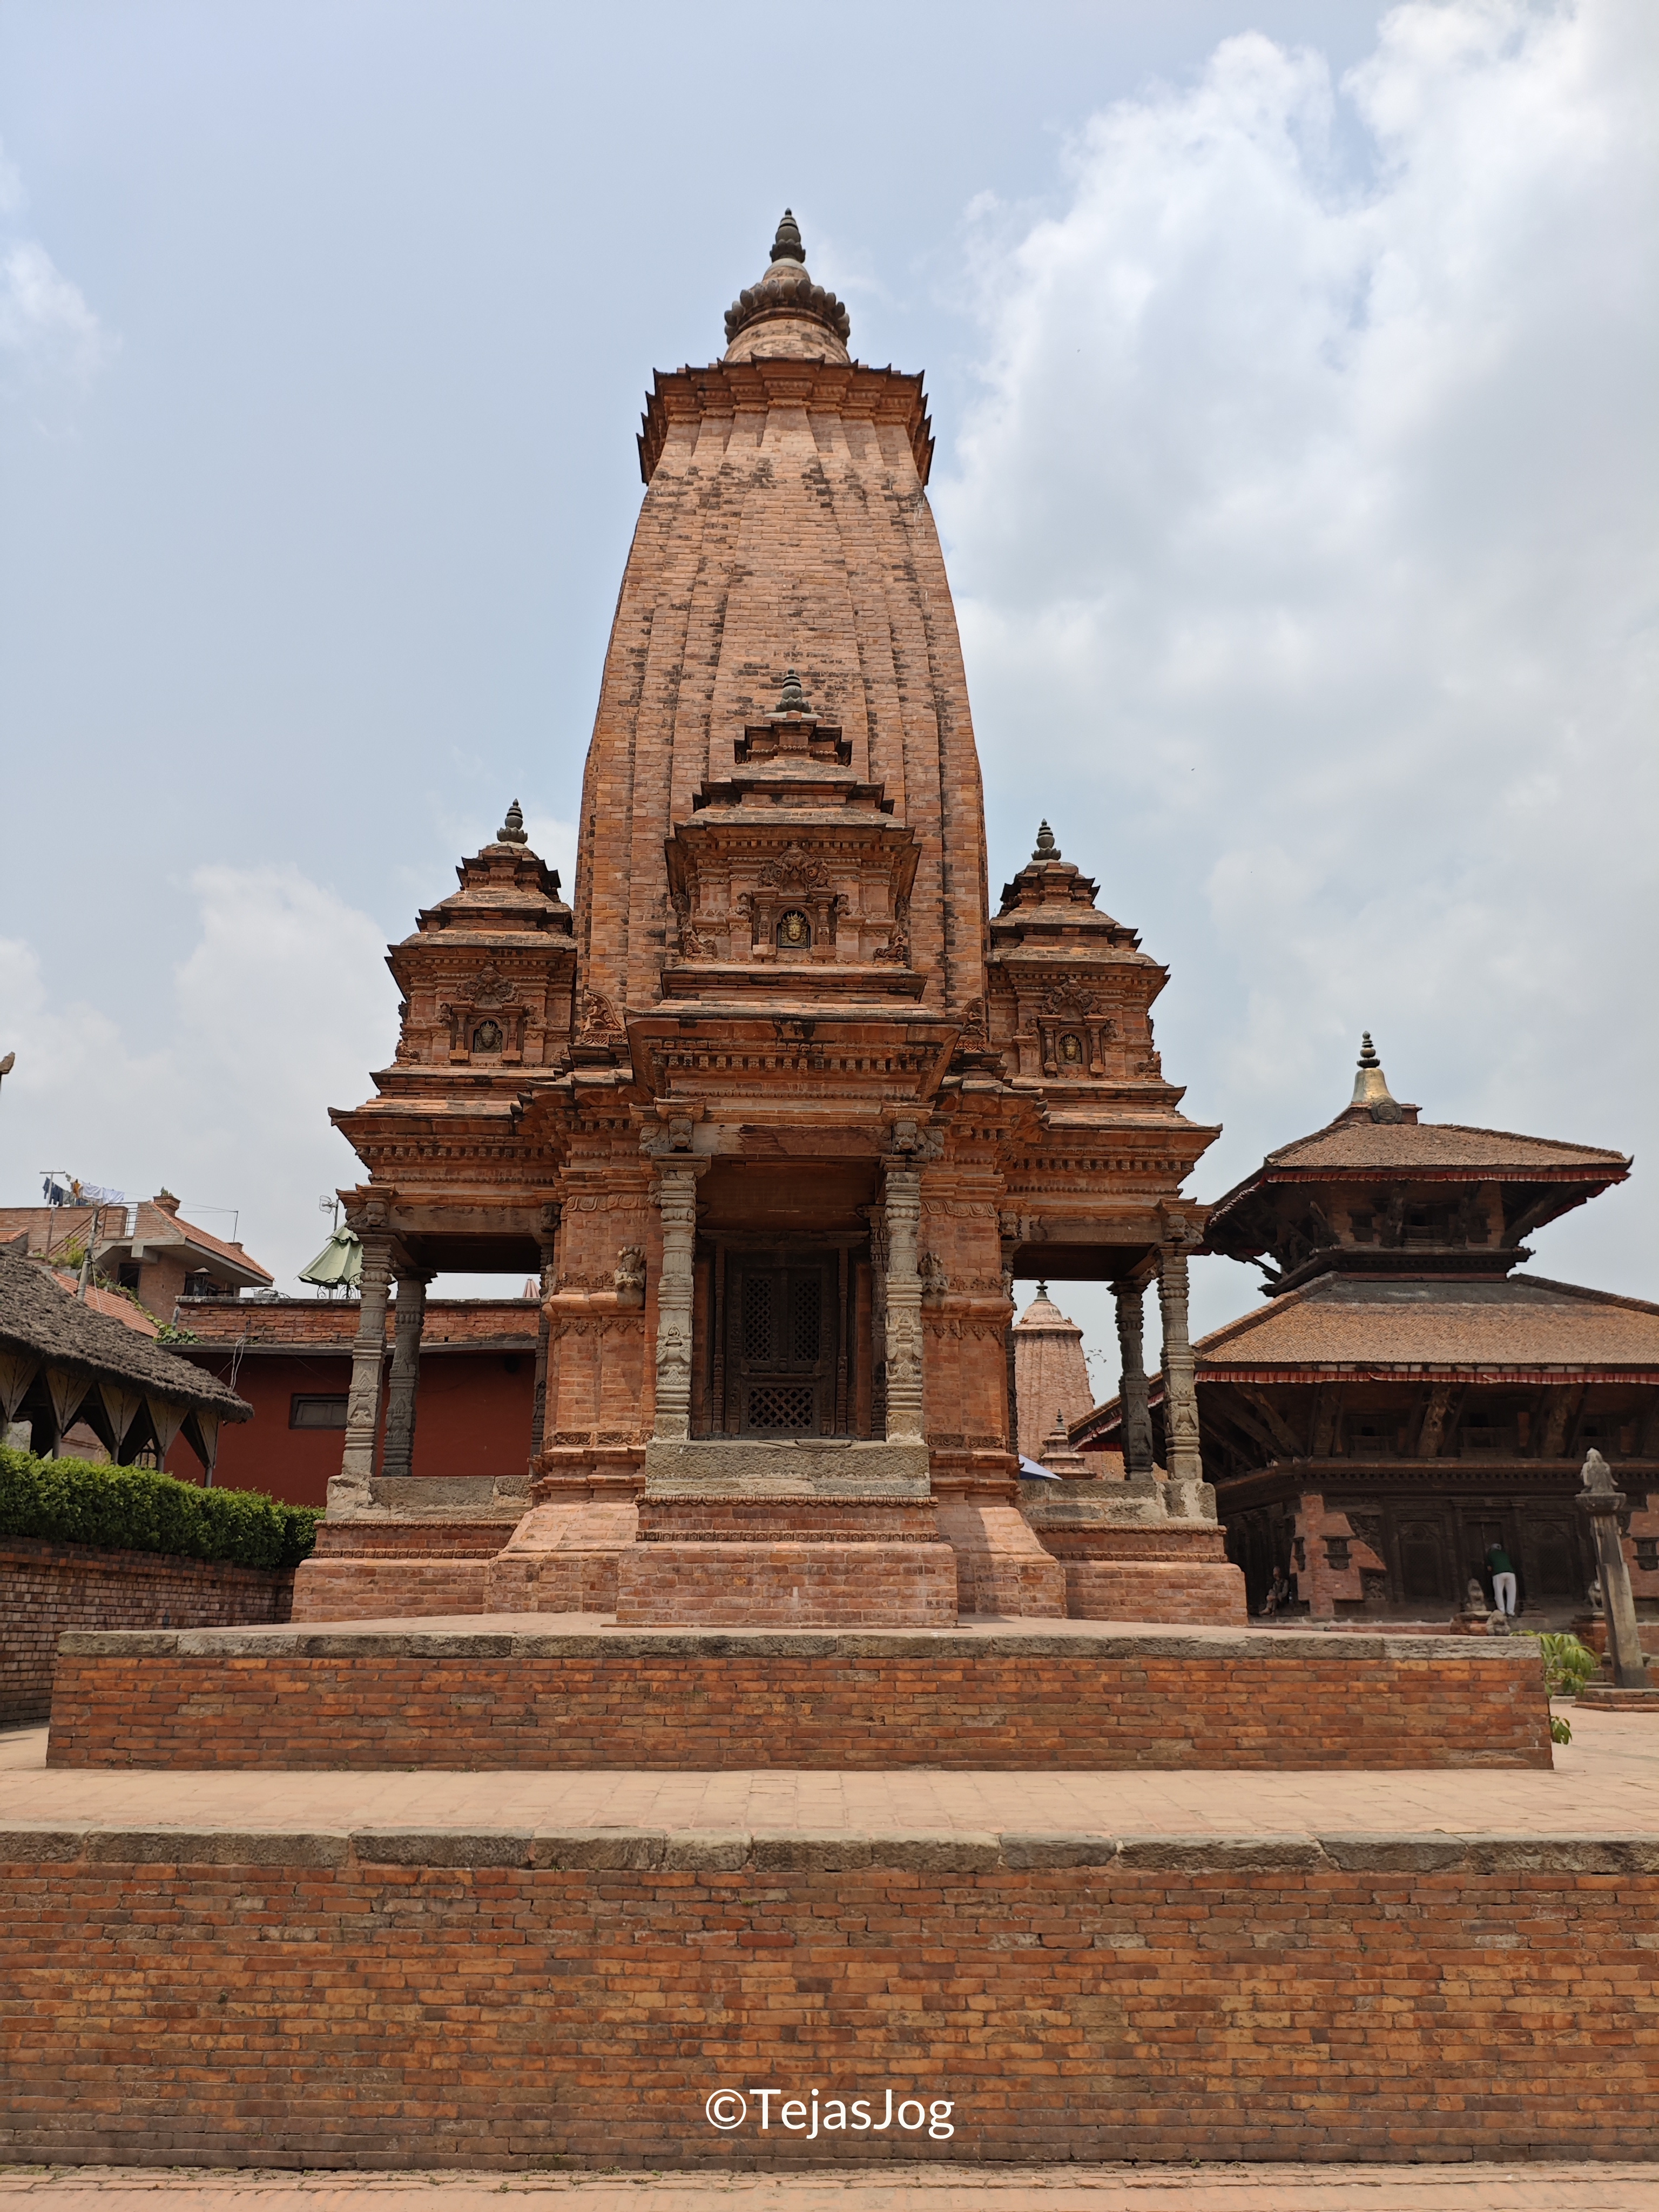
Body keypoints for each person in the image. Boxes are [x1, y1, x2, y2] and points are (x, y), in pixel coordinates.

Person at [1486, 1540, 1518, 1617]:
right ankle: (1511, 1612)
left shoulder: (1490, 1555)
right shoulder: (1505, 1554)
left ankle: (1501, 1612)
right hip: (1510, 1573)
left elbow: (1489, 1568)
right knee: (1512, 1593)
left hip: (1498, 1574)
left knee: (1499, 1592)